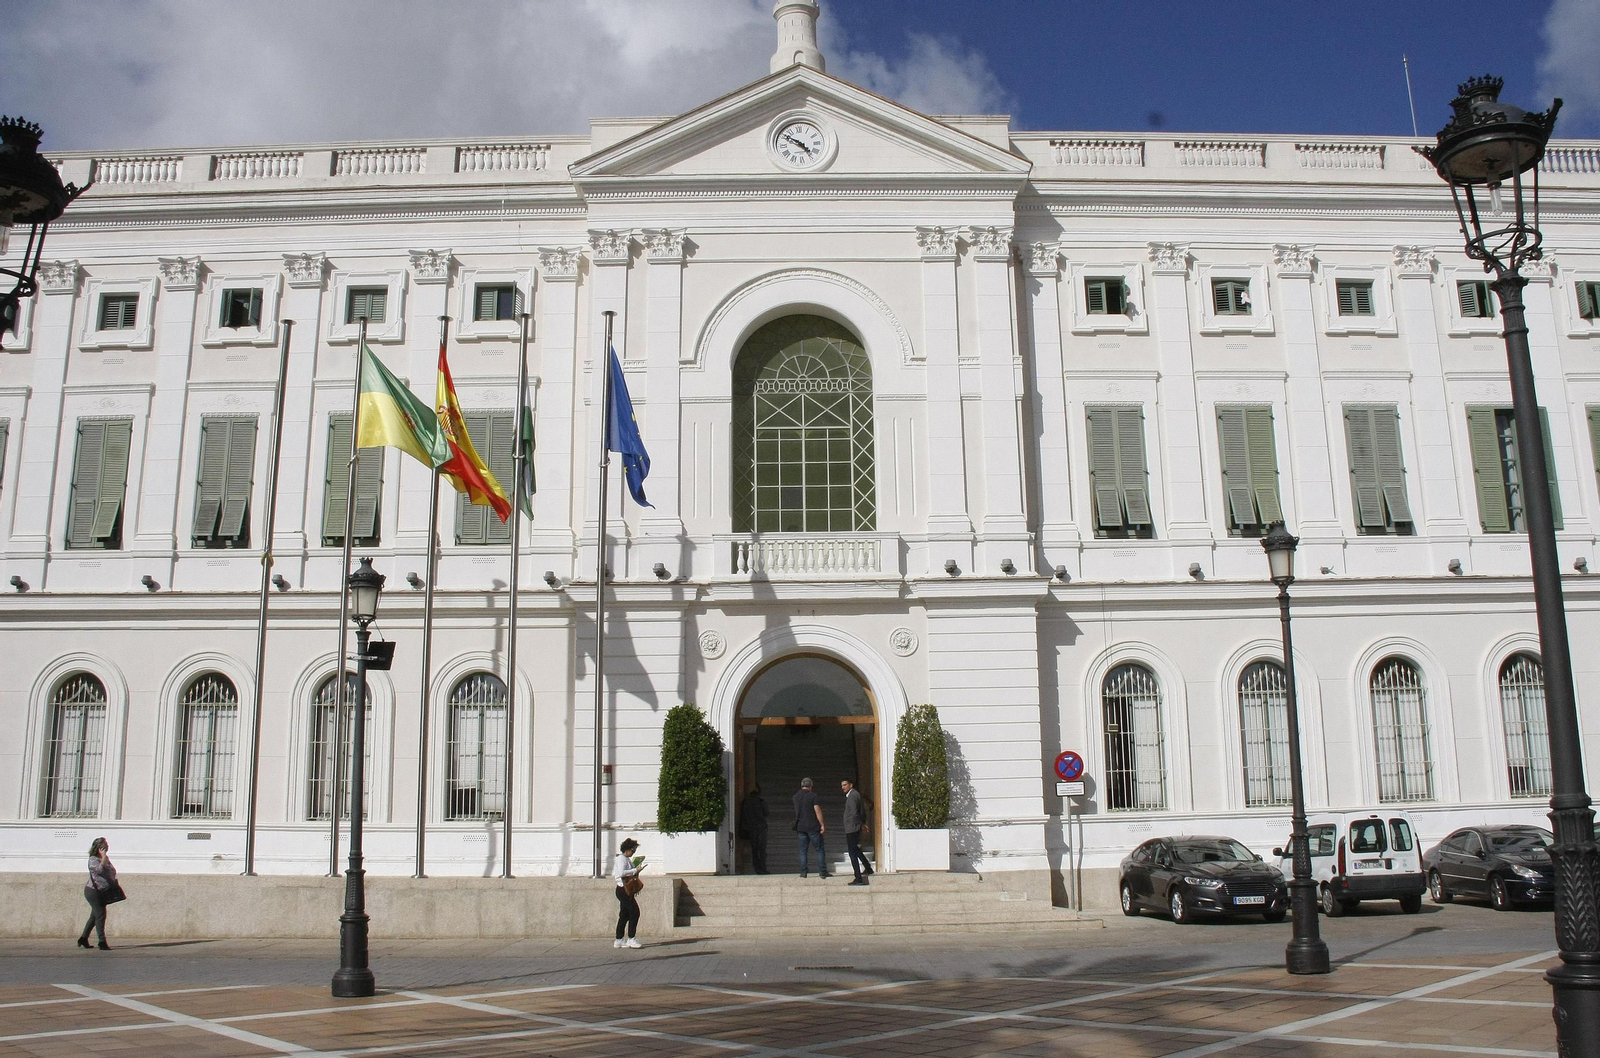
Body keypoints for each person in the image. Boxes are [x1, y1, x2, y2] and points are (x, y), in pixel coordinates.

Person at [78, 836, 115, 950]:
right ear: (100, 847)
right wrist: (103, 857)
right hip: (93, 891)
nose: (107, 847)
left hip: (102, 890)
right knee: (100, 915)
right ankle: (102, 941)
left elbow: (111, 871)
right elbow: (99, 870)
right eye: (105, 845)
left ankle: (83, 938)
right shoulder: (93, 859)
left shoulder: (105, 858)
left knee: (94, 916)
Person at [841, 778, 874, 885]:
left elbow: (855, 812)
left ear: (851, 785)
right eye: (842, 785)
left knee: (852, 853)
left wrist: (861, 824)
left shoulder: (852, 796)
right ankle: (868, 867)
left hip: (852, 827)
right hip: (853, 826)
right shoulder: (855, 795)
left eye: (845, 785)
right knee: (855, 849)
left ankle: (858, 877)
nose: (843, 787)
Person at [793, 777, 827, 878]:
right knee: (819, 849)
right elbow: (817, 810)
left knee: (803, 850)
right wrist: (822, 824)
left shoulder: (795, 797)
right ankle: (822, 871)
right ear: (811, 786)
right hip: (813, 826)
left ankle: (803, 872)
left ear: (801, 785)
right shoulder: (813, 796)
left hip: (801, 826)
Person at [613, 838, 643, 949]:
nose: (633, 852)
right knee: (635, 912)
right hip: (623, 889)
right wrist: (635, 871)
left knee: (624, 915)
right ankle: (631, 938)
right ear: (627, 849)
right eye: (632, 850)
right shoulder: (621, 859)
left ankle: (619, 939)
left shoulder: (626, 859)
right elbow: (622, 873)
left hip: (624, 889)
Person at [740, 785, 769, 874]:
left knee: (754, 850)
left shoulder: (745, 802)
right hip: (761, 828)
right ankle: (763, 868)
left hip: (751, 829)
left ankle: (757, 868)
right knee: (762, 850)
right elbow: (766, 813)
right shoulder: (760, 801)